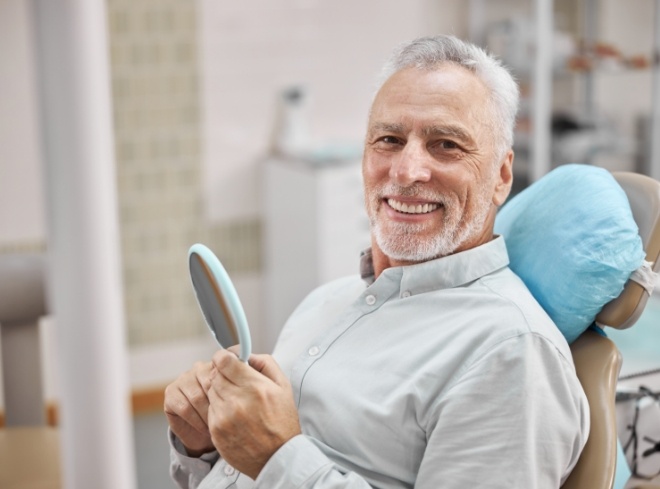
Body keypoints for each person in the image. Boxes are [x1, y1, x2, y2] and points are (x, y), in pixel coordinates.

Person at [164, 35, 590, 489]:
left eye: (445, 145)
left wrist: (279, 458)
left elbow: (273, 462)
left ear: (502, 175)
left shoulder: (510, 353)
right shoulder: (324, 302)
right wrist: (204, 448)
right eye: (389, 139)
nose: (406, 171)